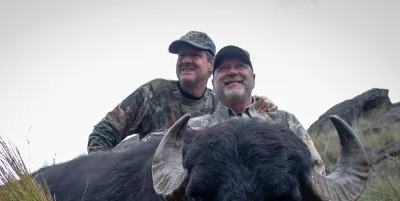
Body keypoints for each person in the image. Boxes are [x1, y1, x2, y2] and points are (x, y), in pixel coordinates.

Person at [87, 31, 277, 153]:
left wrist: (259, 104)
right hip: (147, 188)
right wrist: (101, 171)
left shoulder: (220, 104)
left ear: (211, 65)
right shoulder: (154, 93)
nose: (186, 60)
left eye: (194, 55)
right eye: (182, 55)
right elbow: (104, 131)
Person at [188, 45, 326, 175]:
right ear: (213, 83)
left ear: (253, 79)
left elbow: (316, 172)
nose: (232, 72)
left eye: (240, 66)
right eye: (224, 68)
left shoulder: (284, 120)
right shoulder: (193, 128)